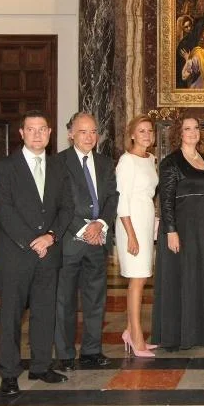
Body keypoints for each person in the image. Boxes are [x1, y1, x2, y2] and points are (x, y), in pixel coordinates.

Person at [0, 110, 74, 396]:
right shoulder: (5, 167)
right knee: (12, 315)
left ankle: (41, 365)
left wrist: (50, 237)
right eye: (31, 129)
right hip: (15, 255)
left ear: (50, 134)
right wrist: (32, 241)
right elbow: (4, 211)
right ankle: (10, 372)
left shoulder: (59, 168)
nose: (37, 134)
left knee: (44, 312)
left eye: (42, 129)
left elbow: (67, 208)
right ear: (22, 134)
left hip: (48, 253)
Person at [55, 112, 119, 371]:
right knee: (65, 301)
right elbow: (58, 203)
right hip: (70, 242)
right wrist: (82, 228)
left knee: (96, 300)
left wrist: (100, 224)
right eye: (83, 132)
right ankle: (66, 353)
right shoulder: (58, 163)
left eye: (93, 131)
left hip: (97, 241)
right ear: (71, 134)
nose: (89, 137)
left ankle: (92, 350)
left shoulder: (105, 163)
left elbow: (112, 197)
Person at [151, 115, 204, 349]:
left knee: (199, 278)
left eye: (196, 127)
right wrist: (171, 231)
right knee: (180, 279)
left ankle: (200, 332)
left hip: (201, 229)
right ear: (179, 133)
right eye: (187, 128)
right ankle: (177, 335)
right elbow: (166, 200)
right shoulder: (171, 162)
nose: (192, 132)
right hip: (180, 228)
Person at [115, 114, 159, 357]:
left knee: (142, 278)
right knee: (137, 280)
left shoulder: (150, 159)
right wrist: (131, 235)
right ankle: (136, 337)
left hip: (145, 221)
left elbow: (147, 195)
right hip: (130, 224)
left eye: (149, 131)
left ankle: (129, 330)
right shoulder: (126, 161)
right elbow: (122, 201)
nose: (146, 135)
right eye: (141, 131)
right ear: (132, 134)